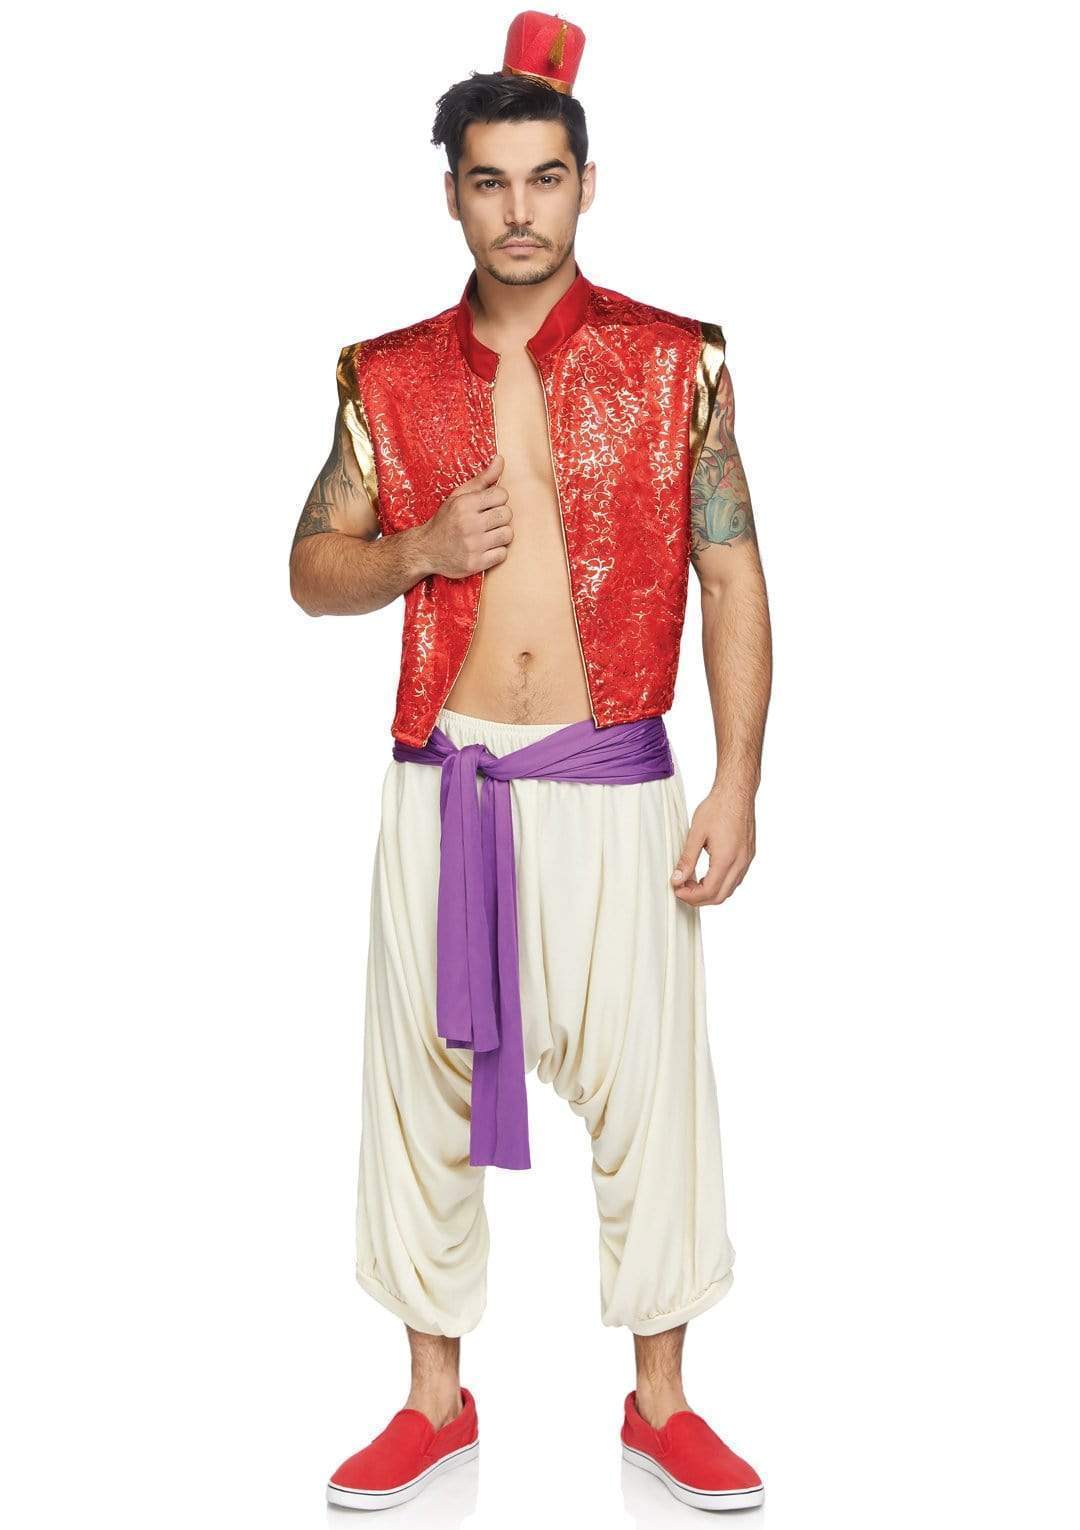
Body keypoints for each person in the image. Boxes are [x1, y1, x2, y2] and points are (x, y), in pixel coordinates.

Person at [289, 9, 772, 1514]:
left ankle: (662, 1403)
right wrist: (417, 549)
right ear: (452, 193)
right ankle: (433, 1402)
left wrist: (738, 781)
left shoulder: (675, 362)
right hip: (446, 780)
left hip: (615, 778)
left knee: (654, 1091)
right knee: (418, 1092)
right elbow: (310, 569)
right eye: (490, 181)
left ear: (586, 184)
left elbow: (733, 574)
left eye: (544, 179)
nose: (519, 210)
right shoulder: (385, 377)